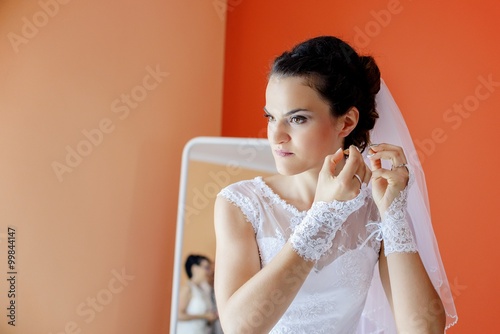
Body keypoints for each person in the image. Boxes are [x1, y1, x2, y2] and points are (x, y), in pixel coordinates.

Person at [213, 36, 458, 333]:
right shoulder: (241, 203)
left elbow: (424, 330)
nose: (276, 135)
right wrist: (323, 216)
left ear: (346, 122)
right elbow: (240, 328)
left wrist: (393, 214)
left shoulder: (376, 205)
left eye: (298, 119)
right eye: (270, 117)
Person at [177, 254, 218, 334]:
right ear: (194, 268)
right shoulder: (187, 289)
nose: (209, 272)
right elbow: (178, 315)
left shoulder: (203, 291)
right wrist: (205, 316)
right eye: (206, 268)